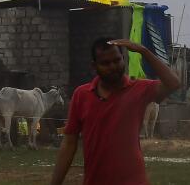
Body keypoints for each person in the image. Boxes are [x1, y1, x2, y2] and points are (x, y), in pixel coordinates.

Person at [50, 38, 182, 185]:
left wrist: (144, 51)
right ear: (94, 66)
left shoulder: (138, 89)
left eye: (117, 60)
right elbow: (69, 143)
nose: (113, 66)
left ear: (123, 59)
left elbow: (173, 83)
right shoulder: (81, 95)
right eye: (105, 63)